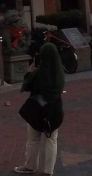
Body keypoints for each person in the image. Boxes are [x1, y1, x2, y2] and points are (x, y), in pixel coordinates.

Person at [14, 42, 65, 175]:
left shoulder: (39, 72)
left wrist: (29, 72)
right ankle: (48, 170)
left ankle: (30, 166)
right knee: (51, 139)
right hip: (54, 110)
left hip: (37, 109)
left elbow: (25, 86)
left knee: (33, 139)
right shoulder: (59, 72)